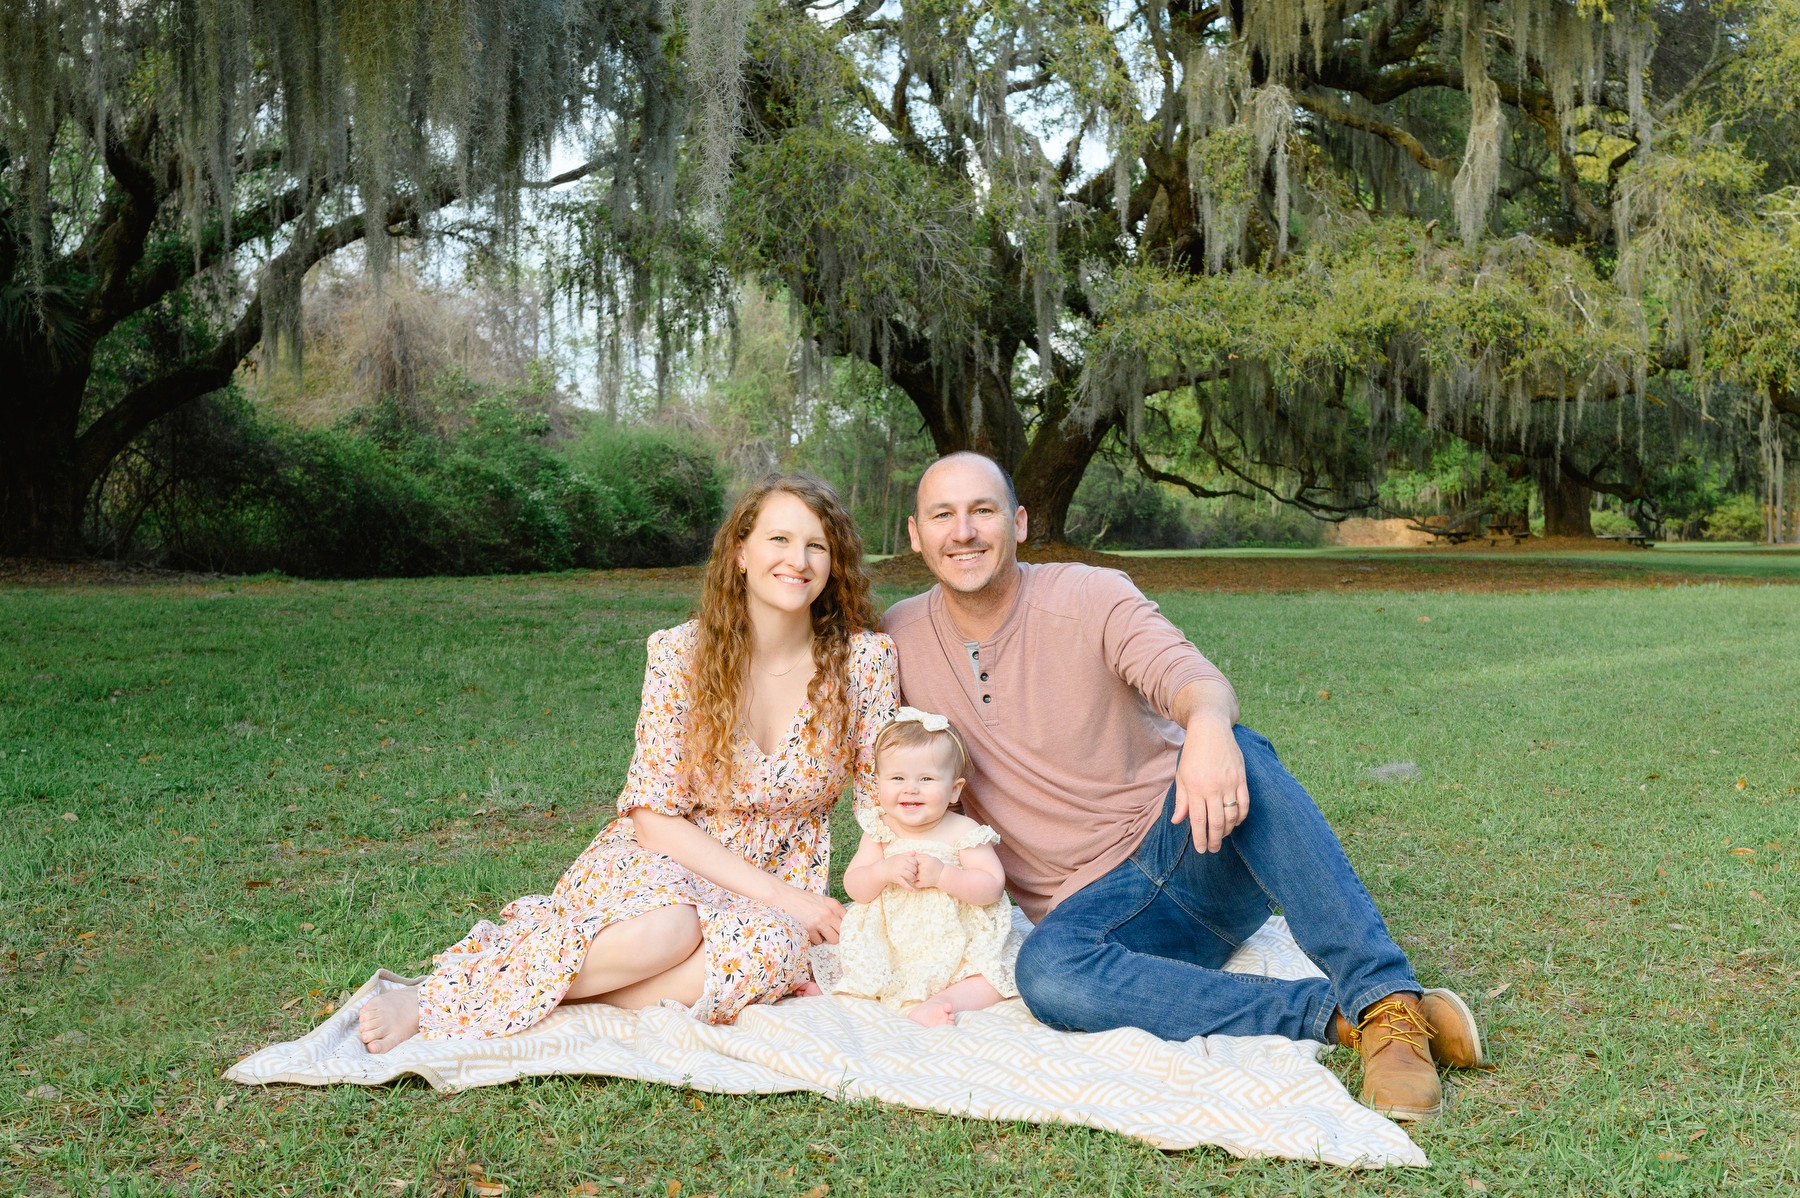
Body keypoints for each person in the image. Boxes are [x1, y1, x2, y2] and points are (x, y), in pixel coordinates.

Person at [881, 451, 1484, 1121]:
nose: (963, 531)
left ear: (1018, 523)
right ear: (916, 534)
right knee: (1047, 974)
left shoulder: (1090, 595)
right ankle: (1335, 1018)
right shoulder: (899, 639)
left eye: (982, 511)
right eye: (943, 515)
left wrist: (1207, 726)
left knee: (1241, 748)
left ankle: (1386, 1002)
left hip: (1194, 844)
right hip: (1100, 914)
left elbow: (1193, 679)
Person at [357, 474, 897, 1053]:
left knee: (769, 954)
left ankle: (540, 990)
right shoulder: (680, 654)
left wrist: (854, 905)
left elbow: (879, 807)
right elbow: (654, 818)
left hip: (784, 878)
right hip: (668, 855)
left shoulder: (863, 660)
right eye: (780, 540)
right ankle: (437, 998)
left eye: (817, 545)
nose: (799, 560)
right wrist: (785, 898)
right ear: (740, 552)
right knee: (673, 927)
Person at [832, 707, 1020, 1026]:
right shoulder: (879, 831)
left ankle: (944, 1001)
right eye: (897, 778)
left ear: (954, 789)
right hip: (893, 945)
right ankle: (846, 988)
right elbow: (855, 886)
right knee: (854, 965)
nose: (911, 788)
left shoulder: (964, 831)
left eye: (926, 779)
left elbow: (991, 887)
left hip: (958, 943)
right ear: (878, 783)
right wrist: (883, 871)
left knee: (997, 975)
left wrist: (944, 875)